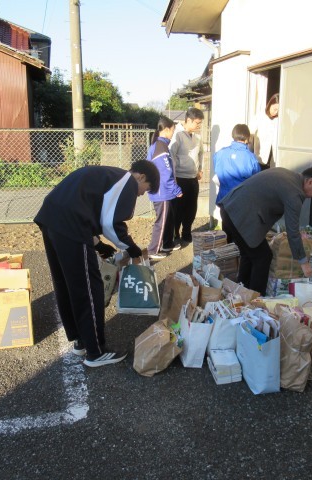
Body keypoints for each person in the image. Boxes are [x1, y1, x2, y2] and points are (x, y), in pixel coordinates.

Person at [34, 161, 160, 367]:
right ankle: (96, 351)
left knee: (67, 283)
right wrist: (132, 248)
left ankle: (81, 340)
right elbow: (111, 223)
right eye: (146, 190)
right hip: (71, 224)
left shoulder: (109, 175)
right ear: (141, 177)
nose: (141, 195)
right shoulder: (127, 182)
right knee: (89, 288)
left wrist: (98, 244)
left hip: (51, 218)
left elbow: (88, 208)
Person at [219, 166, 312, 296]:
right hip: (240, 216)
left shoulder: (287, 175)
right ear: (310, 182)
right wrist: (304, 263)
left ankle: (240, 295)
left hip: (230, 208)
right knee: (263, 257)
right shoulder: (295, 193)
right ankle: (256, 300)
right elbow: (292, 231)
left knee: (249, 255)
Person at [214, 124, 261, 243]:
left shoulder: (220, 153)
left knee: (227, 233)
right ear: (247, 138)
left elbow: (217, 170)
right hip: (241, 200)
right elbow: (257, 179)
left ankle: (228, 254)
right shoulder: (250, 157)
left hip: (224, 198)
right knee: (240, 236)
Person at [146, 116, 183, 260]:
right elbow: (166, 173)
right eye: (172, 130)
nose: (173, 133)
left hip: (164, 192)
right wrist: (176, 189)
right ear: (167, 130)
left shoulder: (160, 145)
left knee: (168, 219)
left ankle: (167, 243)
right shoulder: (161, 147)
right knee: (161, 222)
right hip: (162, 192)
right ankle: (153, 250)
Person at [170, 106, 205, 245]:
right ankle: (175, 234)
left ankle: (187, 232)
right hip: (179, 178)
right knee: (178, 209)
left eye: (200, 123)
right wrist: (173, 176)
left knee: (191, 209)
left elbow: (201, 153)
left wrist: (200, 169)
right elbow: (171, 155)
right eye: (197, 123)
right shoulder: (177, 134)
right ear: (188, 120)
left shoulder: (197, 137)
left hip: (193, 178)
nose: (199, 126)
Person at [252, 93, 279, 170]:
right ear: (270, 104)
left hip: (274, 157)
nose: (276, 112)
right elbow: (251, 133)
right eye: (275, 109)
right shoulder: (260, 116)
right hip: (261, 156)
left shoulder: (279, 119)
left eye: (278, 110)